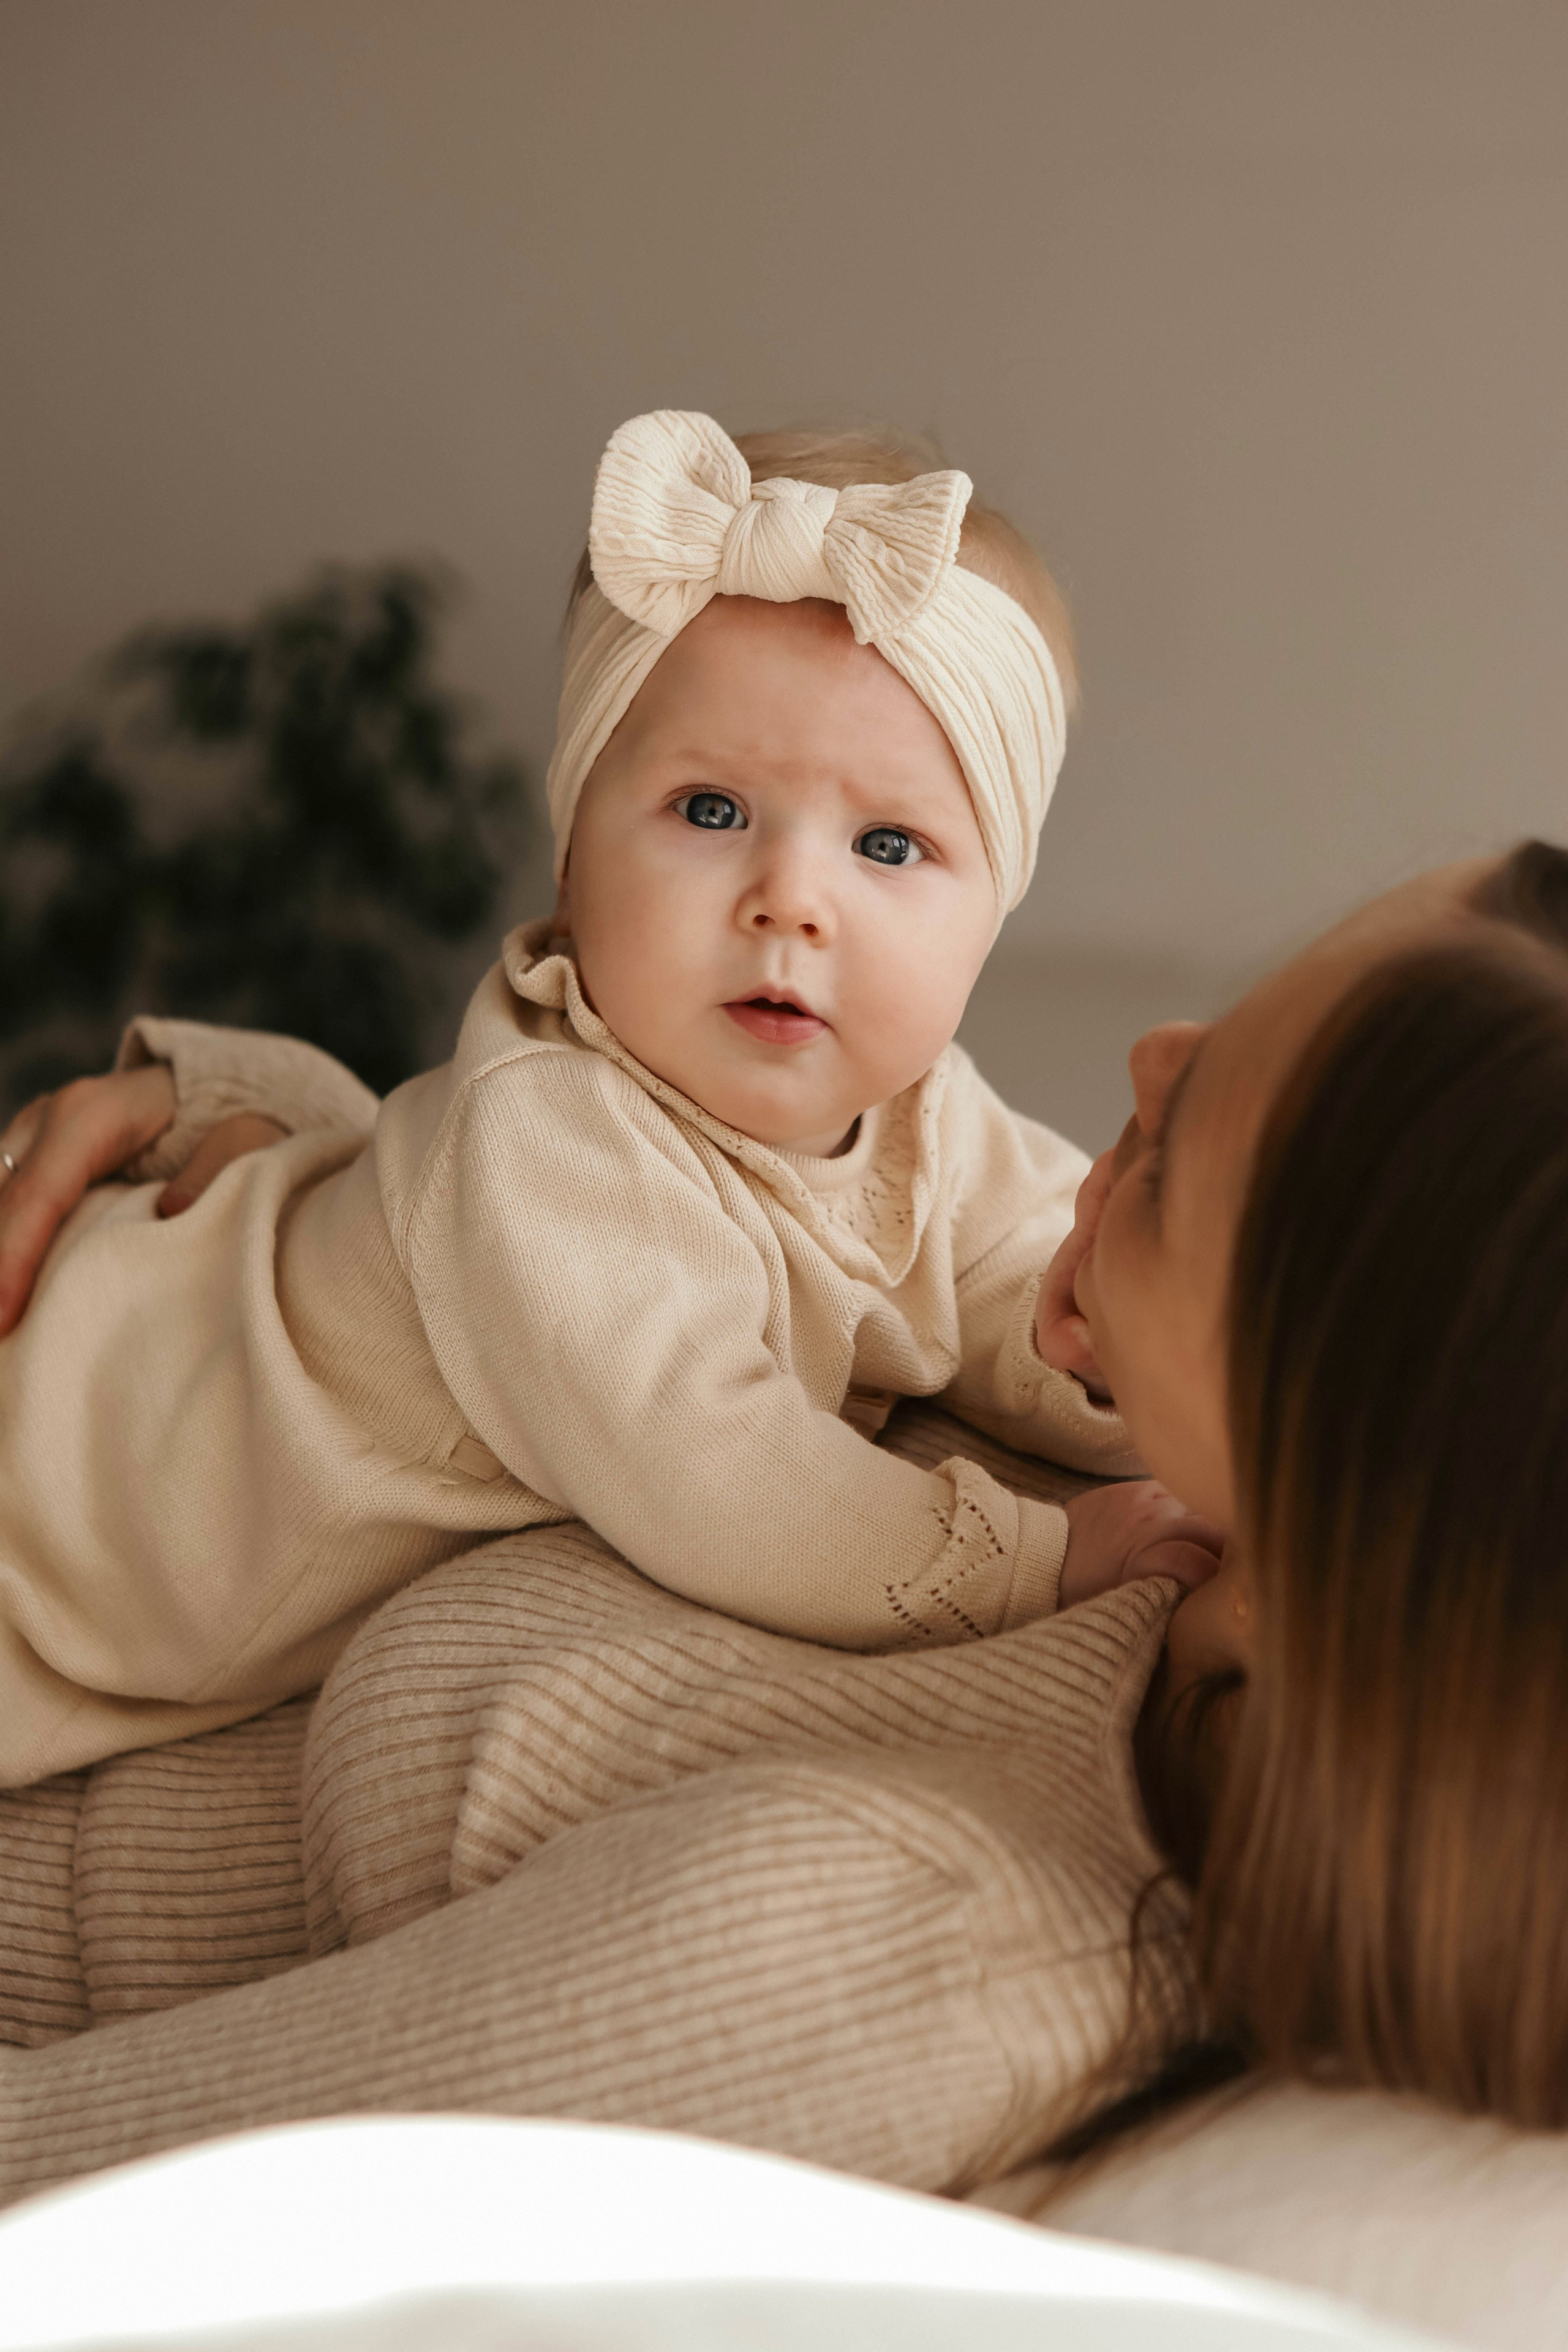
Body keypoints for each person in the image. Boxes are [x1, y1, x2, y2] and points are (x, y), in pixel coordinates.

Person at [0, 843, 1561, 2206]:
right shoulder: (1118, 1443)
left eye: (1173, 1149)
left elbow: (72, 2195)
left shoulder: (862, 1955)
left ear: (1339, 1485)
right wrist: (270, 1146)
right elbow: (597, 1274)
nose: (1144, 1058)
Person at [0, 410, 1219, 1787]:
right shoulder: (553, 1133)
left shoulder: (934, 1125)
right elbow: (720, 1475)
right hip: (56, 1478)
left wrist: (1142, 1359)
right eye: (710, 812)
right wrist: (1042, 1557)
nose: (789, 901)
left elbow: (1036, 1296)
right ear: (572, 860)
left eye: (889, 845)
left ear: (988, 920)